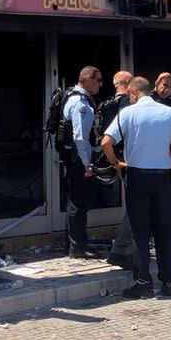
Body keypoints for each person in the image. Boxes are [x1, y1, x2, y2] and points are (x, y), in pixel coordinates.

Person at [100, 77, 171, 299]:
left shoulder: (128, 113)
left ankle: (143, 282)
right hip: (163, 179)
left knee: (140, 232)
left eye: (129, 94)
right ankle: (168, 282)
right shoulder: (170, 113)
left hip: (137, 176)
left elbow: (106, 142)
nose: (129, 98)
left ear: (135, 92)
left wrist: (115, 163)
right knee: (164, 230)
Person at [59, 66, 102, 259]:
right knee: (79, 202)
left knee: (75, 201)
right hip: (79, 158)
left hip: (75, 157)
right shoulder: (80, 103)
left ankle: (75, 244)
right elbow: (80, 136)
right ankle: (77, 247)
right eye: (98, 80)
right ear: (86, 79)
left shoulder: (75, 98)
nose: (101, 84)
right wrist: (88, 164)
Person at [105, 71, 135, 269]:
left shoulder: (109, 103)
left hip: (119, 160)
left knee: (134, 207)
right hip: (128, 161)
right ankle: (121, 250)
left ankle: (126, 249)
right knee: (135, 208)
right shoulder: (126, 105)